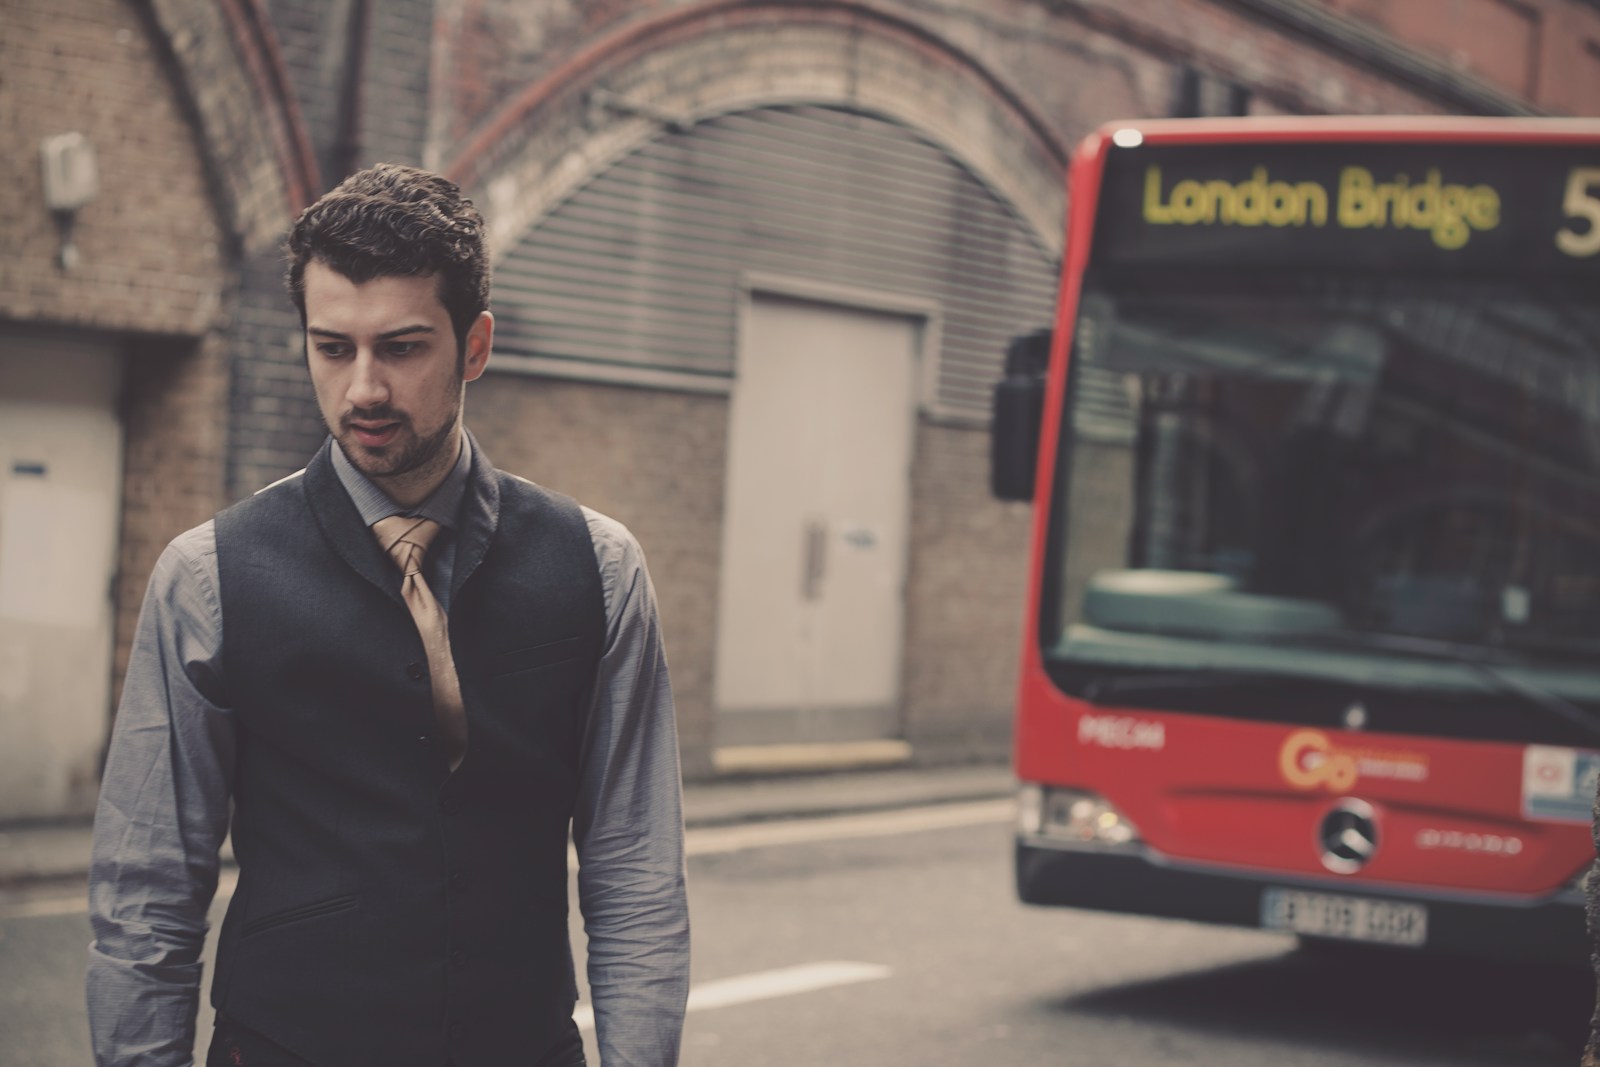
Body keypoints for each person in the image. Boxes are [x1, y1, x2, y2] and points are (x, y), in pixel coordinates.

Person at [86, 164, 689, 1067]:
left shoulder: (597, 567)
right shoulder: (205, 578)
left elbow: (635, 868)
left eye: (401, 347)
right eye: (332, 348)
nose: (363, 387)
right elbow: (148, 890)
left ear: (474, 346)